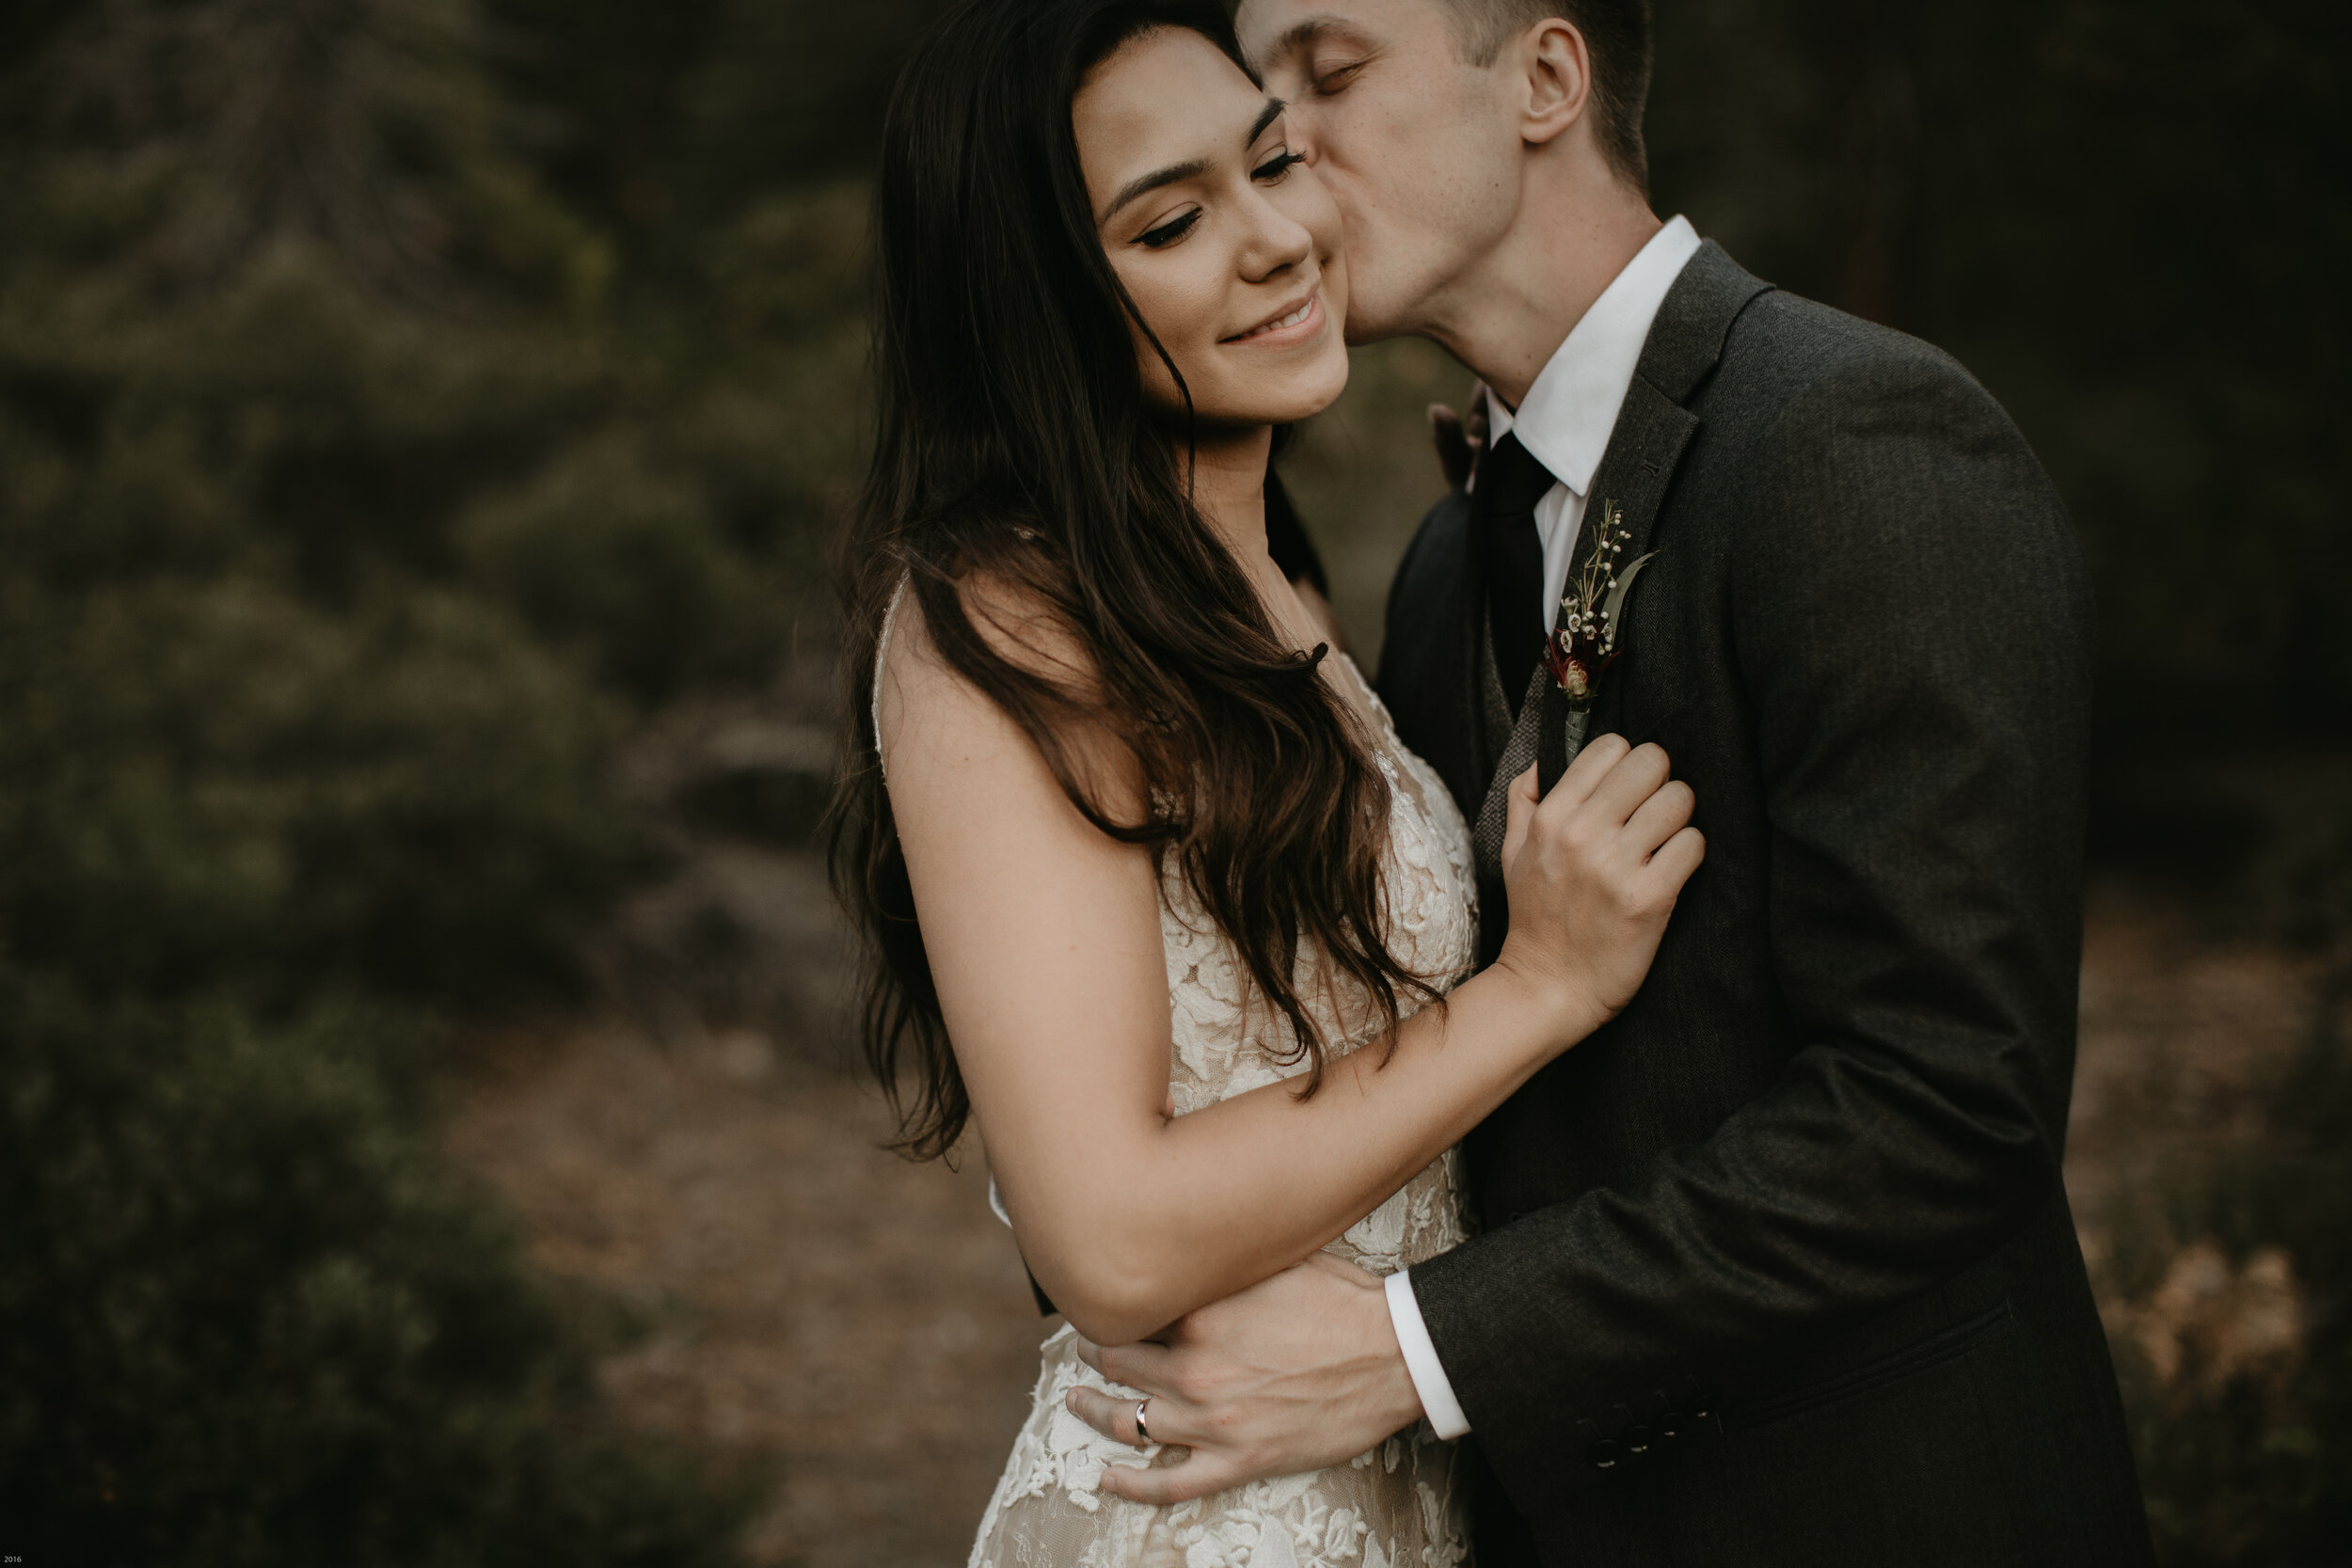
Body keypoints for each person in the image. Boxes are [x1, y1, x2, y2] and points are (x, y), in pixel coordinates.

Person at [1057, 1, 2157, 1563]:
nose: (1279, 146)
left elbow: (1944, 1102)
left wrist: (1414, 1350)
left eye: (1329, 75)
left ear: (1547, 80)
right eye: (1258, 94)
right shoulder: (1449, 562)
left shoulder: (1860, 445)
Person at [833, 0, 1705, 1561]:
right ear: (1040, 301)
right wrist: (1540, 989)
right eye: (1172, 220)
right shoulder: (1003, 621)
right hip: (1207, 1517)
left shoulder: (1272, 585)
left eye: (1275, 162)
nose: (1279, 238)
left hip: (1393, 1486)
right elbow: (1103, 1235)